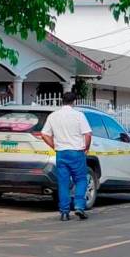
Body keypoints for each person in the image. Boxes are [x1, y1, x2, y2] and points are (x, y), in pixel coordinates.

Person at [41, 92, 92, 221]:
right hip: (76, 152)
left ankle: (64, 212)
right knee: (81, 180)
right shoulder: (79, 115)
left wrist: (54, 146)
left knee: (63, 182)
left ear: (62, 101)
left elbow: (44, 134)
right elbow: (88, 134)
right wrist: (86, 148)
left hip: (61, 153)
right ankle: (79, 206)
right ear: (74, 101)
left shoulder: (53, 116)